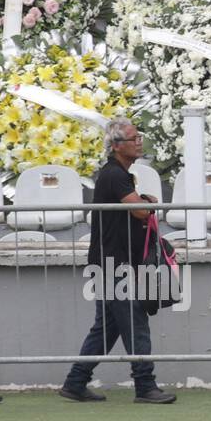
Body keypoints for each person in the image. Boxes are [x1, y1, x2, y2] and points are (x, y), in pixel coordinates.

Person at [59, 117, 175, 404]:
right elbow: (139, 212)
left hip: (111, 262)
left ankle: (75, 381)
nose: (139, 142)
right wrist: (149, 203)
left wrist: (143, 201)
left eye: (139, 137)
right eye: (133, 139)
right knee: (135, 323)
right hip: (114, 264)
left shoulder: (118, 175)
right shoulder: (115, 175)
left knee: (107, 328)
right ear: (116, 145)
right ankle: (145, 386)